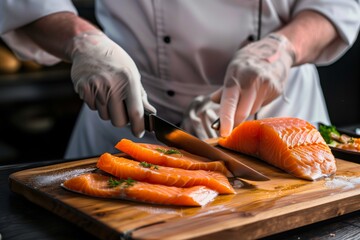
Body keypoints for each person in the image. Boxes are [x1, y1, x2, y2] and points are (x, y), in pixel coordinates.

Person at [1, 1, 359, 159]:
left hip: (277, 108)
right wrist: (81, 40)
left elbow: (337, 6)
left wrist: (284, 49)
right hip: (129, 108)